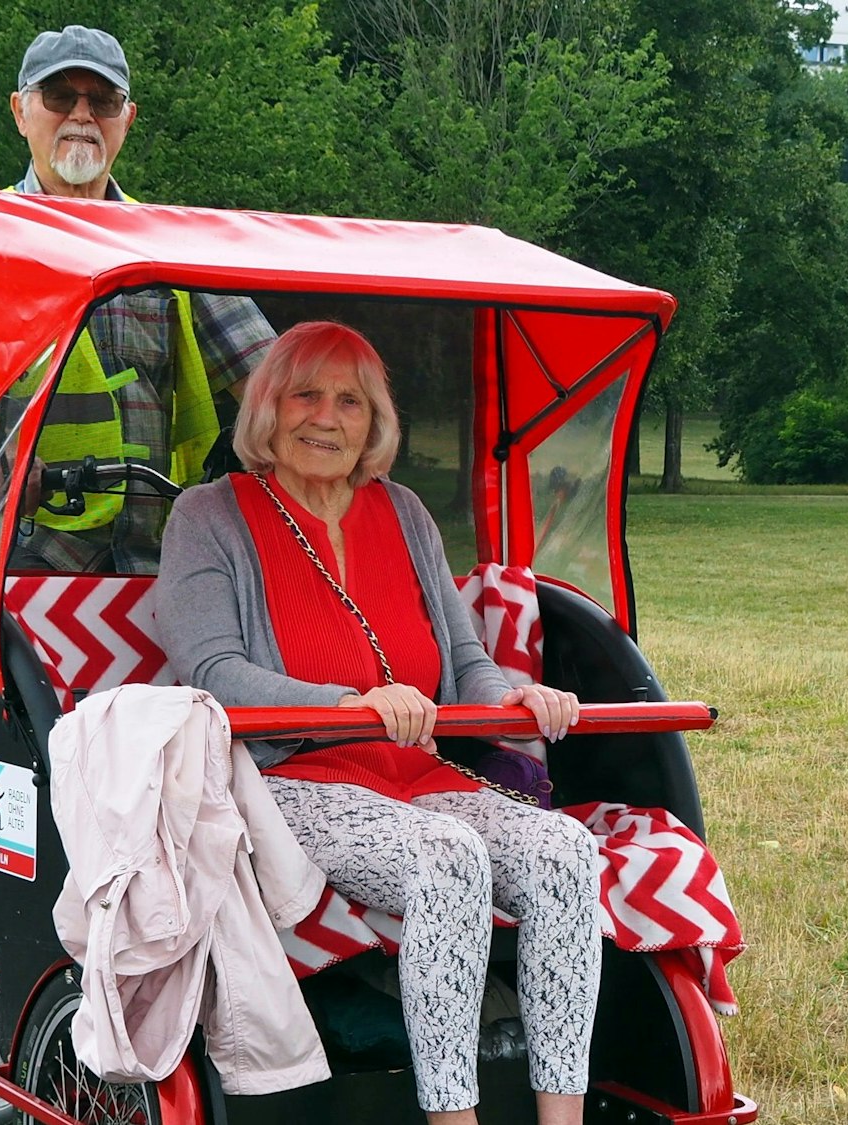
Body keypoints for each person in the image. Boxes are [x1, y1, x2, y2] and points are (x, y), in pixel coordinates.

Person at [154, 321, 599, 1125]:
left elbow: (466, 658)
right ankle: (452, 1119)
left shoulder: (403, 511)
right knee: (449, 857)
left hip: (414, 776)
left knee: (567, 850)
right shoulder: (209, 514)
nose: (326, 417)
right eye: (306, 394)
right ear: (267, 408)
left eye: (349, 400)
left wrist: (518, 695)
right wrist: (345, 705)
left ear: (374, 421)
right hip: (290, 778)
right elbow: (212, 669)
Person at [0, 24, 274, 569]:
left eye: (103, 100)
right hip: (13, 542)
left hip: (154, 554)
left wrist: (332, 437)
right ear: (20, 112)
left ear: (126, 120)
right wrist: (4, 462)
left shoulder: (166, 245)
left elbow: (274, 378)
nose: (82, 115)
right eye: (60, 97)